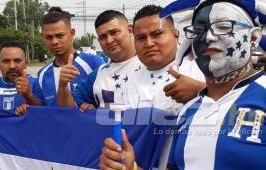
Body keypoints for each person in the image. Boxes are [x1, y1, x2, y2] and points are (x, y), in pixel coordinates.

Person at [100, 0, 266, 169]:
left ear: (253, 37)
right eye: (199, 30)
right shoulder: (189, 111)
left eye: (224, 27)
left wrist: (199, 88)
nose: (208, 37)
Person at [98, 5, 205, 169]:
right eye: (141, 38)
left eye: (157, 34)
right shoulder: (129, 83)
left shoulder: (201, 70)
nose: (149, 43)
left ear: (175, 35)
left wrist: (201, 91)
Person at [57, 10, 142, 110]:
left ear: (130, 30)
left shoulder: (156, 66)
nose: (109, 40)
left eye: (114, 32)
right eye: (103, 37)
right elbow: (69, 110)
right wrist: (62, 85)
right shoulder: (98, 75)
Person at [38, 7, 104, 106]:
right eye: (49, 37)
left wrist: (94, 109)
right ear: (42, 37)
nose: (54, 41)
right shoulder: (42, 74)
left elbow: (109, 103)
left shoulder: (94, 63)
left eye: (60, 35)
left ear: (72, 33)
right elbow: (42, 112)